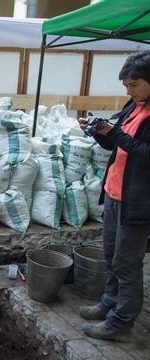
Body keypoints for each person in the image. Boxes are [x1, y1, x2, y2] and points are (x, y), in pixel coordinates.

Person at [78, 50, 150, 341]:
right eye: (126, 86)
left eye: (135, 84)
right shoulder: (134, 105)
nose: (129, 90)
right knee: (111, 255)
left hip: (138, 203)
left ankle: (120, 323)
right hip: (115, 193)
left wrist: (116, 133)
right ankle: (109, 303)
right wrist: (98, 131)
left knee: (127, 263)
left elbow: (144, 153)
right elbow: (114, 145)